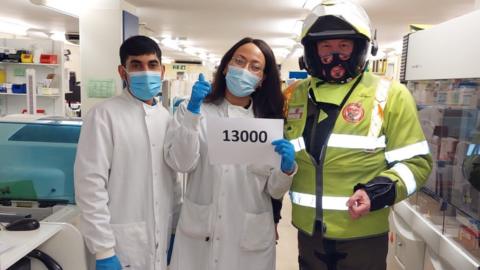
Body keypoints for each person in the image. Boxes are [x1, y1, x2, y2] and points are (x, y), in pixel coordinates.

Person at [283, 1, 433, 269]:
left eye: (344, 46)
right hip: (309, 231)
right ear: (312, 50)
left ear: (361, 48)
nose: (335, 55)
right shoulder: (294, 95)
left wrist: (378, 191)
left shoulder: (390, 95)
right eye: (326, 46)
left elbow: (417, 163)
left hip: (362, 232)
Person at [164, 37, 295, 270]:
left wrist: (286, 169)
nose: (245, 70)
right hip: (200, 230)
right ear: (226, 66)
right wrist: (192, 113)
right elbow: (182, 164)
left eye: (255, 67)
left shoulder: (267, 123)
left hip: (249, 235)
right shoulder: (196, 110)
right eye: (239, 61)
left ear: (262, 79)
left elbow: (274, 189)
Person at [74, 35, 180, 270]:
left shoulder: (165, 117)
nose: (146, 71)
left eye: (152, 65)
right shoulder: (103, 116)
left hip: (160, 241)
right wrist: (103, 251)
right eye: (136, 65)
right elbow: (90, 186)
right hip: (119, 245)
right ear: (123, 72)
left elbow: (172, 181)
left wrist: (174, 230)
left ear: (162, 70)